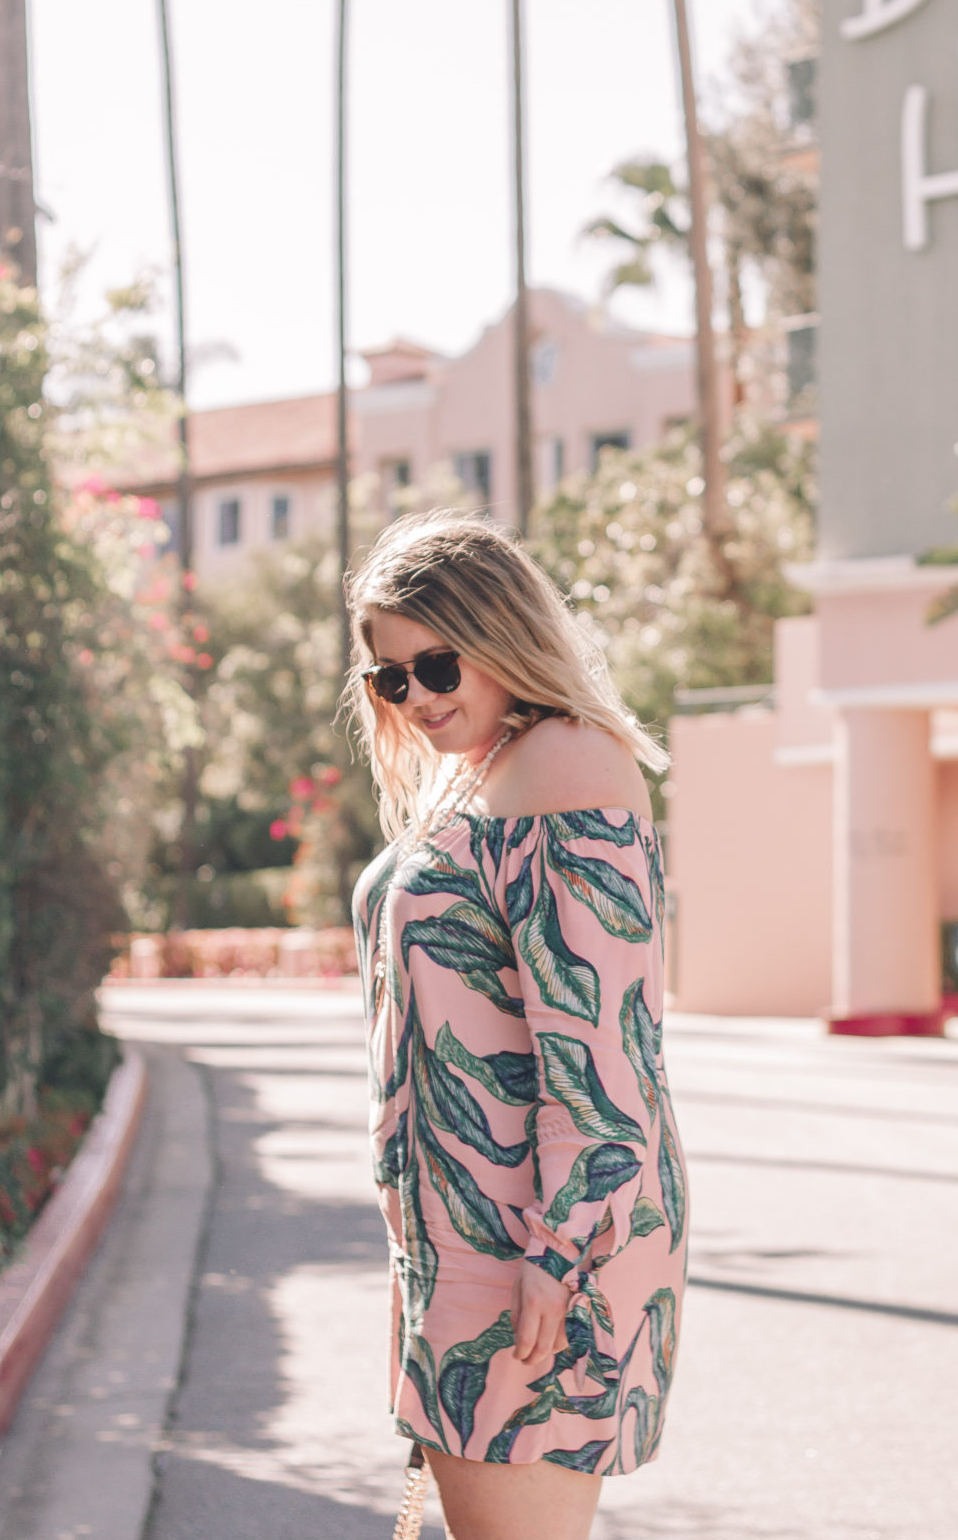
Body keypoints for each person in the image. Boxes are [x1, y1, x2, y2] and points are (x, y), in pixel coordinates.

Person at [347, 512, 687, 1540]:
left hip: (537, 1250)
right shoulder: (479, 768)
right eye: (390, 678)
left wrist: (556, 1253)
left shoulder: (564, 769)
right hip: (465, 1242)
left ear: (501, 633)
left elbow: (605, 1058)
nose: (418, 696)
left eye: (438, 664)